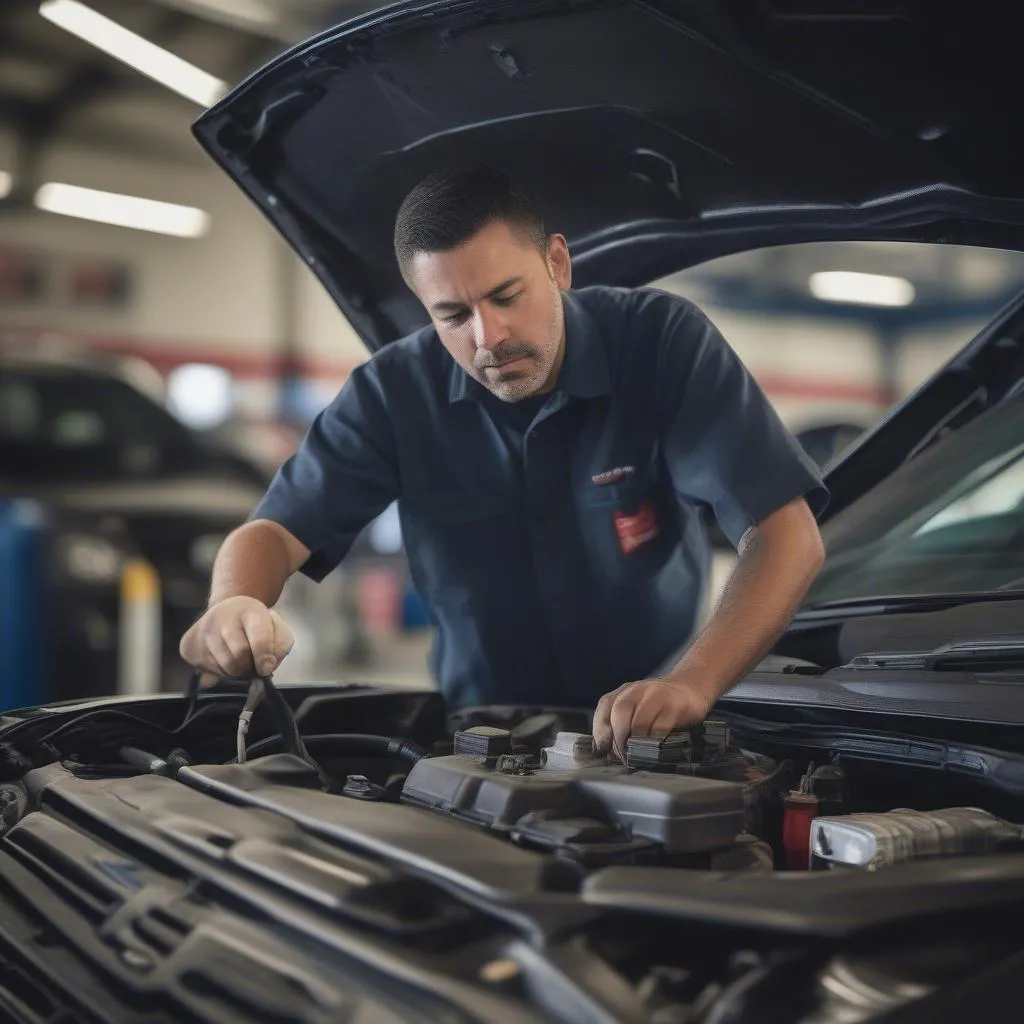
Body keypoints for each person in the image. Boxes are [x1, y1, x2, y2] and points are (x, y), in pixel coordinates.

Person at [180, 165, 827, 757]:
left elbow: (785, 536)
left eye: (506, 295)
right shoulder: (392, 393)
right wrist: (233, 603)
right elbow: (272, 530)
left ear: (558, 263)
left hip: (655, 733)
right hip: (477, 738)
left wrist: (691, 684)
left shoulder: (659, 346)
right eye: (453, 315)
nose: (487, 337)